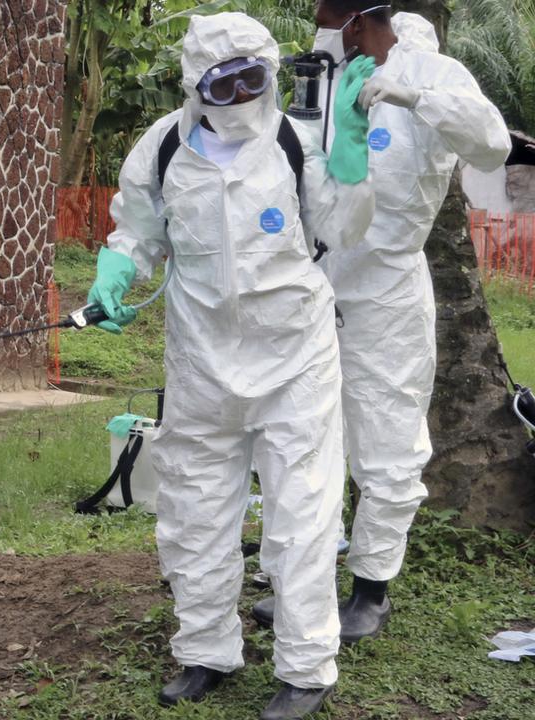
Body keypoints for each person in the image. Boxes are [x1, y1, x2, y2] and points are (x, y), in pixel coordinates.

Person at [88, 13, 375, 719]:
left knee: (302, 512)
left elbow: (342, 231)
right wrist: (115, 269)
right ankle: (205, 650)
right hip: (203, 363)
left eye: (257, 76)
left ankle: (307, 667)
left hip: (294, 362)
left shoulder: (296, 142)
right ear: (197, 85)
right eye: (229, 80)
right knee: (194, 509)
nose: (245, 92)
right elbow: (137, 229)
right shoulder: (162, 148)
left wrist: (352, 162)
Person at [252, 3, 511, 644]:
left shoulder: (430, 70)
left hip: (386, 296)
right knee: (301, 442)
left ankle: (371, 590)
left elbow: (493, 141)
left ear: (363, 20)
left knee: (387, 444)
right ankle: (305, 583)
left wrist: (415, 95)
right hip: (308, 291)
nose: (321, 33)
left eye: (330, 20)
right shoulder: (320, 75)